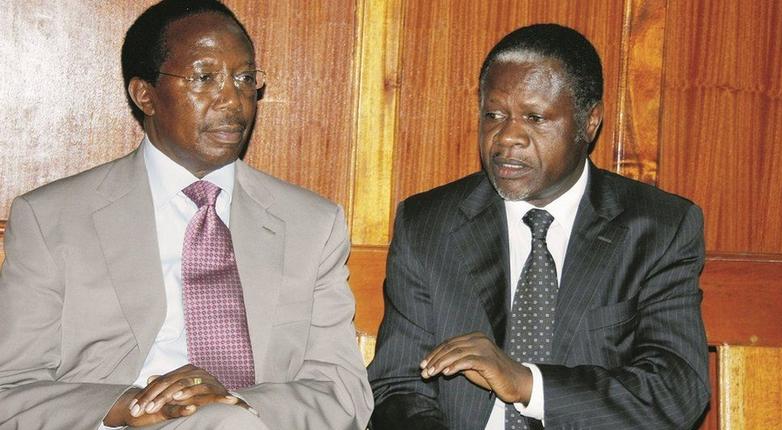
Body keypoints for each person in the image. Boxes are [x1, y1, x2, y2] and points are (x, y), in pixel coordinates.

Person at [0, 1, 373, 428]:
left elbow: (342, 390)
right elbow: (10, 388)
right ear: (145, 94)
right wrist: (130, 407)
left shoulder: (312, 224)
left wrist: (233, 404)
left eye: (245, 78)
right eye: (204, 77)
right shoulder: (54, 219)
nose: (232, 99)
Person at [368, 24, 709, 429]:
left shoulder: (657, 228)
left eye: (535, 117)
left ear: (589, 122)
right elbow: (398, 386)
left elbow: (677, 390)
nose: (507, 137)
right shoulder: (428, 224)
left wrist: (527, 383)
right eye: (494, 115)